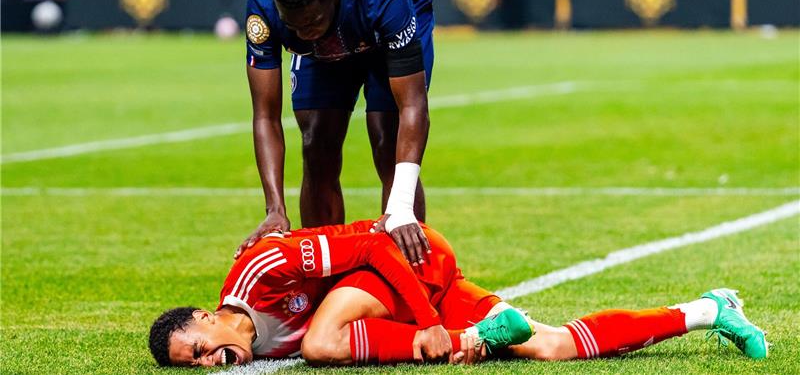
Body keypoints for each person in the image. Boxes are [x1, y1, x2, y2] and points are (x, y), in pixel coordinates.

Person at [150, 220, 769, 367]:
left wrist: (431, 325)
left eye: (201, 348)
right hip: (392, 296)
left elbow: (373, 247)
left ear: (209, 315)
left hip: (409, 260)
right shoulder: (255, 343)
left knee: (319, 342)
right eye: (197, 366)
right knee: (548, 345)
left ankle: (467, 338)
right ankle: (709, 308)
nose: (212, 362)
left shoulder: (263, 269)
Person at [237, 0, 435, 265]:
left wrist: (401, 205)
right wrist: (275, 210)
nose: (306, 32)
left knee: (387, 137)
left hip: (383, 16)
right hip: (330, 36)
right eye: (296, 27)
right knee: (316, 142)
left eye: (313, 21)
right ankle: (326, 275)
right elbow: (266, 115)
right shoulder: (264, 7)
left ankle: (409, 271)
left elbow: (413, 105)